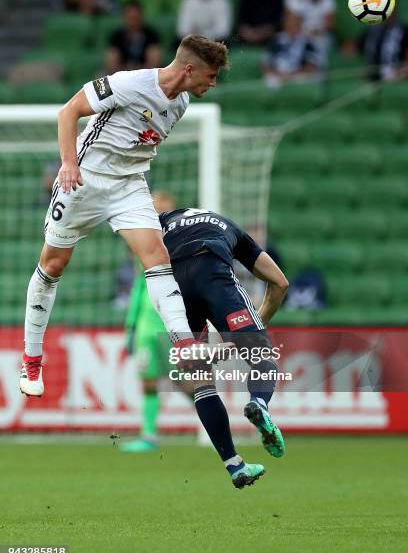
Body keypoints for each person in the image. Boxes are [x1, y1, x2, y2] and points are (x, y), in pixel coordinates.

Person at [20, 34, 230, 399]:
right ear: (190, 69)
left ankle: (183, 346)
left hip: (128, 185)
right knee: (53, 264)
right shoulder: (129, 83)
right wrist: (68, 163)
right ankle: (32, 359)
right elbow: (68, 111)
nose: (213, 83)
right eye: (210, 75)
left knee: (157, 256)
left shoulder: (180, 103)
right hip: (84, 179)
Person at [159, 207, 289, 489]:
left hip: (174, 288)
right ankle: (259, 403)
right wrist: (254, 329)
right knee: (261, 356)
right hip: (215, 275)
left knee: (202, 382)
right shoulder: (229, 226)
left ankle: (234, 465)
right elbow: (280, 282)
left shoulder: (162, 224)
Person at [121, 191, 194, 453]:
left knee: (184, 381)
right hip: (145, 328)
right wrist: (130, 327)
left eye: (162, 209)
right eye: (154, 208)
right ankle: (149, 435)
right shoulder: (142, 244)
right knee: (149, 381)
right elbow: (139, 289)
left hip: (169, 326)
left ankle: (215, 422)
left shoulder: (183, 246)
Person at [284, 0, 336, 68]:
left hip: (319, 35)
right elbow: (289, 21)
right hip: (297, 34)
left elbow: (330, 23)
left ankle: (316, 75)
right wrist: (298, 32)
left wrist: (316, 31)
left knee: (320, 44)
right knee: (284, 41)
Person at [262, 10, 321, 88]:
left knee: (306, 78)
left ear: (300, 25)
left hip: (298, 75)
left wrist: (292, 75)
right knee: (271, 81)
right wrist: (275, 73)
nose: (292, 27)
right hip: (278, 75)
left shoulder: (308, 42)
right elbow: (266, 63)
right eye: (289, 24)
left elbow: (312, 65)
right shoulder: (276, 40)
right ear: (285, 25)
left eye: (295, 24)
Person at [106, 1, 162, 74]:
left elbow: (154, 63)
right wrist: (127, 71)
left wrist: (136, 70)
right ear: (124, 17)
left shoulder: (151, 35)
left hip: (145, 75)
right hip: (122, 75)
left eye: (135, 18)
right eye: (130, 18)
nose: (133, 22)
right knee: (101, 76)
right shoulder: (117, 36)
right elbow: (111, 64)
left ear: (141, 16)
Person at [363, 15, 408, 81]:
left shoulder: (404, 31)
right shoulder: (372, 30)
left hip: (396, 76)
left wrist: (401, 71)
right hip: (372, 75)